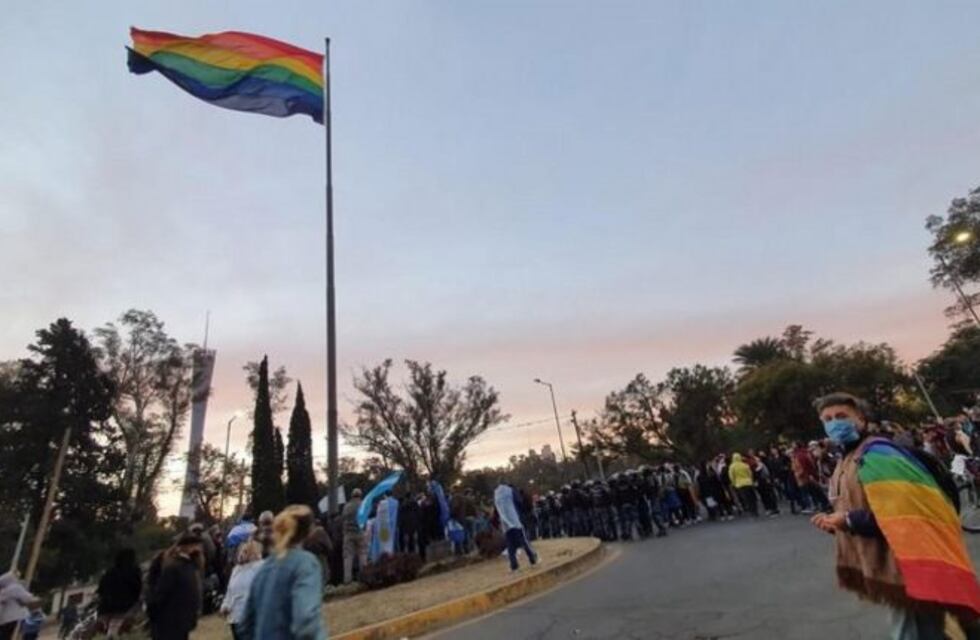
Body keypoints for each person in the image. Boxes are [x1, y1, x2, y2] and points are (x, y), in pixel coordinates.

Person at [810, 392, 980, 639]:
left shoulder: (878, 454)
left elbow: (907, 516)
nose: (834, 423)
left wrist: (848, 520)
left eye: (841, 416)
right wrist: (835, 522)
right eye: (827, 419)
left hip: (908, 569)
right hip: (891, 568)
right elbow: (860, 503)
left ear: (861, 418)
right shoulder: (847, 457)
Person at [239, 505, 327, 640]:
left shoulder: (264, 569)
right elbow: (305, 620)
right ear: (310, 530)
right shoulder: (306, 564)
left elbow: (245, 625)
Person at [146, 534, 204, 640]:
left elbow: (160, 595)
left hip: (170, 621)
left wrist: (151, 610)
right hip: (178, 621)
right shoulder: (187, 567)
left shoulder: (175, 567)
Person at [220, 540, 264, 640]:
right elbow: (230, 591)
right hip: (235, 616)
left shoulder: (259, 567)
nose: (241, 554)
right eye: (240, 551)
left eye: (245, 551)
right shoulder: (236, 570)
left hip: (250, 616)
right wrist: (225, 605)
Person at [97, 548, 143, 638]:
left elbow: (101, 590)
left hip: (106, 609)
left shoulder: (109, 572)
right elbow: (138, 590)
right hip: (126, 609)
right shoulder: (134, 572)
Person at [493, 482, 538, 572]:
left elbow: (496, 510)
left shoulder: (497, 494)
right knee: (523, 541)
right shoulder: (511, 491)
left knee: (510, 545)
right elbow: (519, 502)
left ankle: (514, 566)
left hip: (505, 523)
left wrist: (496, 521)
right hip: (515, 520)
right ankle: (532, 558)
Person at [0, 572, 40, 640]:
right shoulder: (15, 588)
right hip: (16, 617)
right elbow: (28, 598)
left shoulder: (4, 591)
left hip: (5, 620)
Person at [341, 488, 367, 583]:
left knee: (348, 557)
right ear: (360, 495)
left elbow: (343, 519)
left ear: (352, 496)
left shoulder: (346, 506)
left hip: (348, 533)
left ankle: (347, 580)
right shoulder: (363, 505)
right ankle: (364, 577)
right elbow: (365, 517)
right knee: (362, 554)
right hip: (360, 532)